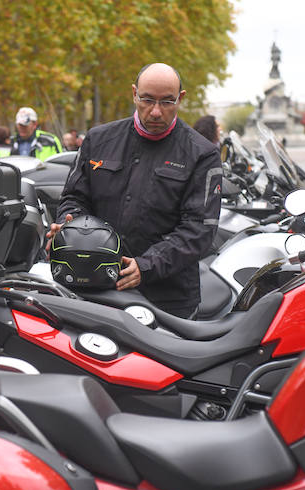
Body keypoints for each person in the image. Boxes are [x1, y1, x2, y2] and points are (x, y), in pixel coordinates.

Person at [51, 63, 223, 318]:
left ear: (181, 98)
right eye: (147, 100)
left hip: (167, 301)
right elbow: (74, 198)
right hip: (92, 289)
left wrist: (147, 266)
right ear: (134, 94)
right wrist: (69, 230)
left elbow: (200, 229)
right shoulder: (98, 140)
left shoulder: (202, 154)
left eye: (167, 102)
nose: (155, 112)